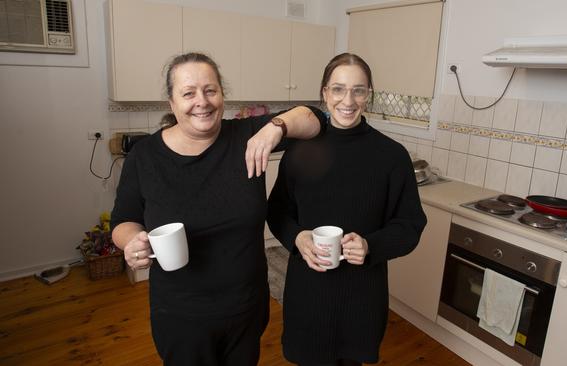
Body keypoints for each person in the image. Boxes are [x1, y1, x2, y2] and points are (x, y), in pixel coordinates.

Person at [110, 52, 327, 366]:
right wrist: (131, 242)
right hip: (180, 314)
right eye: (188, 93)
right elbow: (123, 220)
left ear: (222, 95)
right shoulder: (144, 157)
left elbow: (315, 119)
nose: (202, 101)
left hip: (246, 306)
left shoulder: (245, 136)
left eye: (211, 90)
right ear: (171, 103)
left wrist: (275, 127)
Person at [267, 53, 427, 365]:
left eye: (358, 90)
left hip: (362, 296)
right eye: (338, 89)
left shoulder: (391, 156)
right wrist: (298, 238)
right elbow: (276, 212)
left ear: (370, 94)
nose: (348, 100)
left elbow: (410, 225)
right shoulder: (299, 150)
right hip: (308, 293)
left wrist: (371, 245)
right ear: (324, 93)